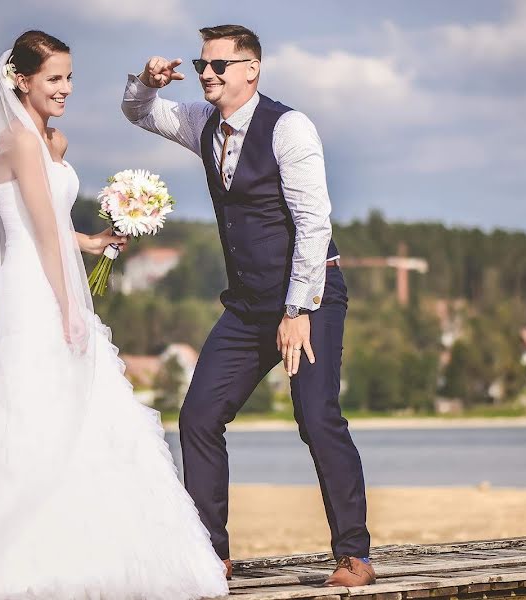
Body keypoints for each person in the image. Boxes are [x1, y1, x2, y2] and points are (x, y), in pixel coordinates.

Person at [0, 30, 229, 600]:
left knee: (85, 403)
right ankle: (12, 551)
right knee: (29, 403)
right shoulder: (17, 142)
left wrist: (92, 242)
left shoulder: (53, 142)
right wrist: (71, 304)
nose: (65, 88)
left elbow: (47, 220)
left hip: (51, 271)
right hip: (28, 287)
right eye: (53, 78)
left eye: (69, 77)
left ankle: (97, 546)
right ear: (20, 79)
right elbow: (41, 235)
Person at [122, 24, 375, 587]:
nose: (206, 74)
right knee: (198, 417)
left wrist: (297, 310)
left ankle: (354, 554)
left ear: (251, 68)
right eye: (201, 64)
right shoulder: (200, 121)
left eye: (219, 65)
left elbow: (314, 224)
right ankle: (211, 553)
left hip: (311, 298)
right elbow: (139, 112)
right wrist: (146, 82)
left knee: (316, 417)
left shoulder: (289, 127)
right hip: (246, 306)